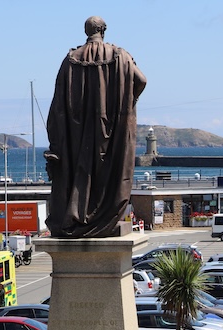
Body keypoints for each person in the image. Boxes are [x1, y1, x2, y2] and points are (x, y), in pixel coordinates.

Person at [44, 16, 147, 238]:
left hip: (77, 131)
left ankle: (77, 214)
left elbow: (57, 103)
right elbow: (142, 81)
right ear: (104, 30)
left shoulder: (71, 59)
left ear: (86, 31)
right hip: (113, 128)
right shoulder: (120, 56)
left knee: (81, 171)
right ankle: (103, 217)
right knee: (108, 172)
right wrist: (128, 103)